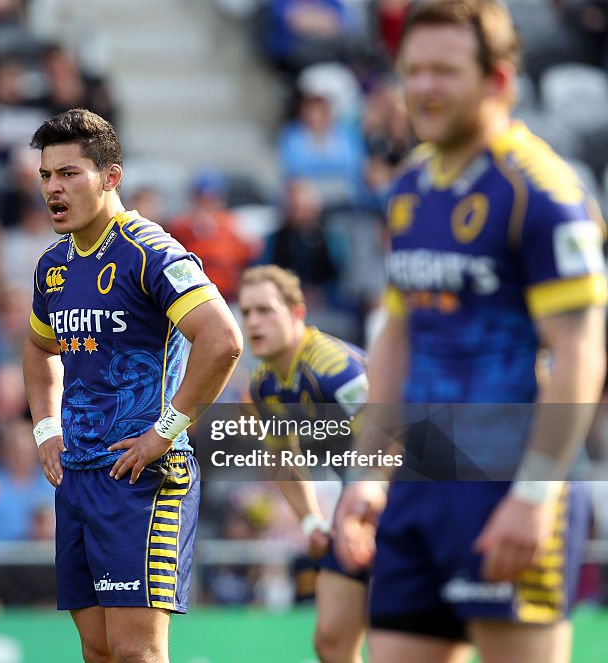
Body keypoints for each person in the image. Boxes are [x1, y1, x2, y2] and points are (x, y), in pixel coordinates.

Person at [332, 2, 607, 663]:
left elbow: (579, 349)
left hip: (508, 486)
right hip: (420, 489)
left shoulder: (540, 192)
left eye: (445, 71)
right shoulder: (410, 188)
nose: (424, 87)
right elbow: (398, 334)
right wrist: (367, 473)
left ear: (498, 80)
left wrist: (535, 495)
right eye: (414, 70)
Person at [24, 108, 243, 663]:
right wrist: (47, 429)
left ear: (111, 176)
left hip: (141, 476)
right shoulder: (53, 265)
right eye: (47, 175)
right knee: (97, 651)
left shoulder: (149, 251)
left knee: (136, 652)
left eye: (70, 173)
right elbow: (37, 348)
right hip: (79, 478)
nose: (54, 187)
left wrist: (167, 430)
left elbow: (222, 340)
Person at [238, 265, 368, 663]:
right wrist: (311, 520)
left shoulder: (334, 367)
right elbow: (282, 459)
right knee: (330, 641)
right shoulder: (264, 384)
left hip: (408, 494)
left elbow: (392, 440)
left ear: (297, 312)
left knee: (398, 641)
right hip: (355, 502)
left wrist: (358, 513)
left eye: (265, 310)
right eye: (246, 313)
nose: (253, 322)